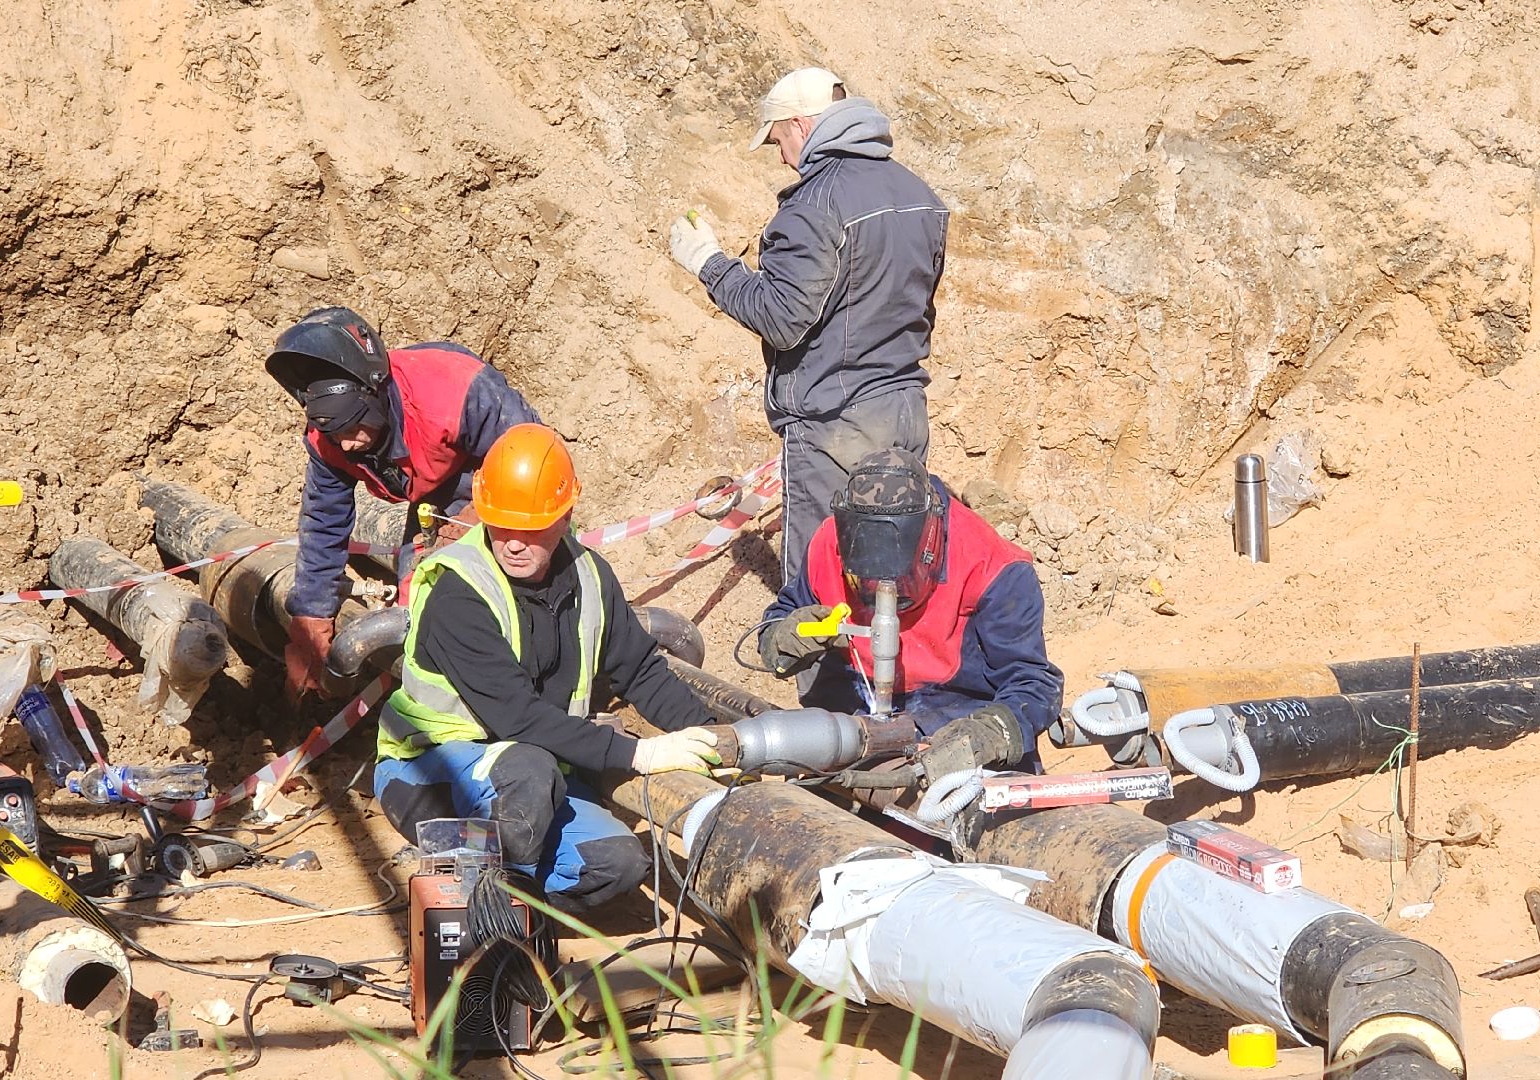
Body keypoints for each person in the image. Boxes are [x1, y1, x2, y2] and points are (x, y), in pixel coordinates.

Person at [372, 423, 723, 912]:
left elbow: (641, 669)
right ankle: (481, 912)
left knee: (617, 865)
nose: (514, 543)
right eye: (501, 525)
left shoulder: (591, 576)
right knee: (528, 769)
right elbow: (518, 718)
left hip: (532, 779)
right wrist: (640, 754)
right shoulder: (459, 592)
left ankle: (515, 901)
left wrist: (714, 738)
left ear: (565, 517)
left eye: (531, 528)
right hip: (429, 774)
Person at [668, 67, 947, 586]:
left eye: (778, 140)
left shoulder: (815, 205)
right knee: (892, 582)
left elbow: (781, 318)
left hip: (833, 427)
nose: (781, 156)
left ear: (800, 124)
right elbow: (919, 308)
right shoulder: (920, 195)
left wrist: (709, 263)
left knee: (818, 593)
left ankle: (827, 645)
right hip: (905, 412)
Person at [265, 306, 541, 703]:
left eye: (353, 426)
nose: (347, 444)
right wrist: (310, 617)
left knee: (501, 587)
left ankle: (528, 685)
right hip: (434, 495)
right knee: (419, 598)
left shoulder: (454, 390)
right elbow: (324, 521)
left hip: (510, 484)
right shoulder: (329, 441)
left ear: (374, 393)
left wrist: (468, 525)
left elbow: (533, 456)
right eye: (335, 433)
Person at [754, 449, 1061, 775]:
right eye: (866, 578)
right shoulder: (828, 545)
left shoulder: (991, 567)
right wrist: (783, 638)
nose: (884, 592)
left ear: (931, 546)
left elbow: (1033, 683)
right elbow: (780, 620)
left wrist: (991, 732)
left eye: (901, 578)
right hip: (855, 722)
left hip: (957, 722)